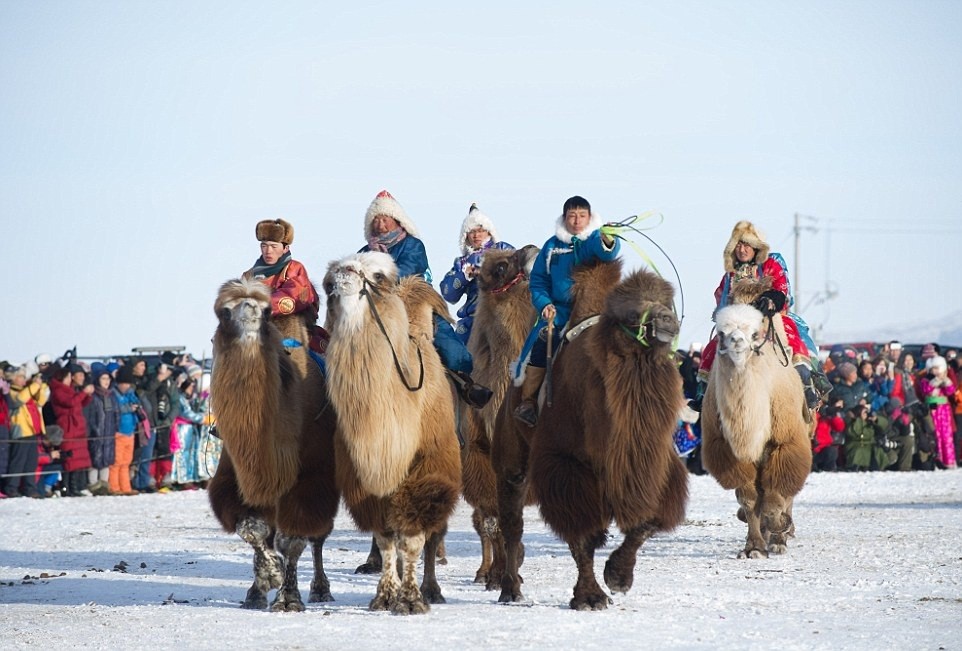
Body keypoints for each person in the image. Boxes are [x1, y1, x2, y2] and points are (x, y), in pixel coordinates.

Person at [360, 190, 491, 408]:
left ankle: (467, 385)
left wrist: (377, 277)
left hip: (413, 300)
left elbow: (407, 271)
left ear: (397, 220)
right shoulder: (365, 251)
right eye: (377, 219)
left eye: (385, 218)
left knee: (449, 346)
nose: (381, 224)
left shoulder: (412, 245)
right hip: (377, 307)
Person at [694, 221, 830, 411]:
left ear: (756, 247)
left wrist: (769, 300)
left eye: (747, 244)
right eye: (739, 245)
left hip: (769, 316)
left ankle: (806, 384)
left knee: (794, 338)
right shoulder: (731, 275)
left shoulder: (771, 264)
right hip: (738, 321)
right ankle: (704, 393)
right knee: (712, 347)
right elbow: (722, 299)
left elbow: (781, 290)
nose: (742, 249)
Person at [513, 195, 621, 427]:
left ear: (589, 217)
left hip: (595, 311)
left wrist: (608, 238)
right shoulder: (552, 246)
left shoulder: (592, 240)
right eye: (572, 215)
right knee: (542, 341)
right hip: (559, 313)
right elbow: (539, 281)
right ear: (564, 217)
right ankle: (529, 401)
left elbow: (607, 252)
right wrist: (545, 304)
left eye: (582, 215)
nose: (577, 220)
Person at [440, 203, 514, 343]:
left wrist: (490, 270)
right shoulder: (461, 262)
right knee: (455, 353)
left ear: (489, 231)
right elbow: (448, 293)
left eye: (480, 230)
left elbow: (519, 271)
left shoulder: (503, 249)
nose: (476, 235)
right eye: (472, 232)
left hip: (503, 313)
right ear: (466, 236)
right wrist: (464, 275)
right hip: (473, 317)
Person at [49, 362, 94, 496]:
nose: (70, 379)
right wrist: (83, 393)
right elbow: (70, 402)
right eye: (69, 377)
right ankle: (67, 487)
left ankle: (75, 486)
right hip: (68, 426)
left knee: (78, 458)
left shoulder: (70, 390)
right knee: (70, 457)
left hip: (77, 427)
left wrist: (87, 395)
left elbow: (80, 403)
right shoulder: (58, 391)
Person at [4, 363, 48, 498]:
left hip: (32, 431)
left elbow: (40, 401)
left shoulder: (27, 390)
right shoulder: (10, 392)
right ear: (13, 378)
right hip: (20, 431)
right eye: (21, 377)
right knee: (18, 461)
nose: (24, 380)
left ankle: (30, 487)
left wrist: (42, 386)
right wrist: (34, 386)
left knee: (31, 461)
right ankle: (11, 487)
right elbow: (18, 400)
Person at [919, 355, 957, 469]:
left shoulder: (944, 379)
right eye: (933, 368)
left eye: (937, 368)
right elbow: (926, 390)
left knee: (946, 434)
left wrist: (945, 380)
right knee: (935, 434)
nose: (935, 371)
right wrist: (935, 382)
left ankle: (948, 460)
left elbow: (950, 391)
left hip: (944, 409)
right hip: (933, 408)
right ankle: (936, 459)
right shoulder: (926, 380)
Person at [110, 365, 141, 496]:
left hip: (130, 432)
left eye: (128, 383)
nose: (126, 386)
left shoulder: (130, 393)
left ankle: (126, 487)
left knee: (126, 462)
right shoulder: (113, 394)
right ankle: (115, 487)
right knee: (117, 462)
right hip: (118, 432)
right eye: (123, 383)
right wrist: (129, 408)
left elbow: (138, 403)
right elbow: (116, 409)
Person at [86, 368, 118, 495]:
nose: (106, 381)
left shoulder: (112, 395)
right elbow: (90, 416)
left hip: (109, 432)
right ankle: (93, 484)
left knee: (106, 458)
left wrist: (116, 427)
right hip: (96, 433)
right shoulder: (93, 396)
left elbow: (116, 413)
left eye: (108, 379)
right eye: (103, 379)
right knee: (95, 459)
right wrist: (94, 429)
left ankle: (104, 483)